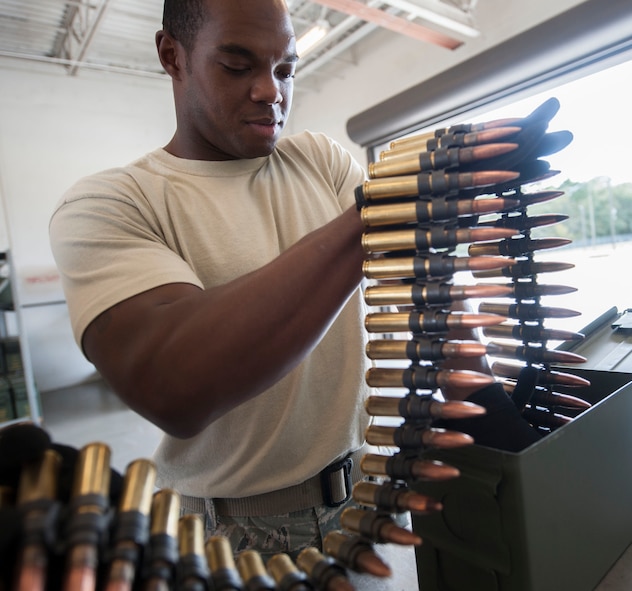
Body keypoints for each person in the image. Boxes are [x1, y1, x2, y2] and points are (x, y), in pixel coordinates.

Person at [48, 0, 539, 561]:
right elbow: (173, 385)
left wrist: (488, 408)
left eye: (285, 70)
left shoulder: (320, 161)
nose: (270, 92)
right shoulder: (110, 204)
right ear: (171, 56)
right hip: (234, 538)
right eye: (238, 67)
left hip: (366, 495)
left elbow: (420, 291)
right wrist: (388, 208)